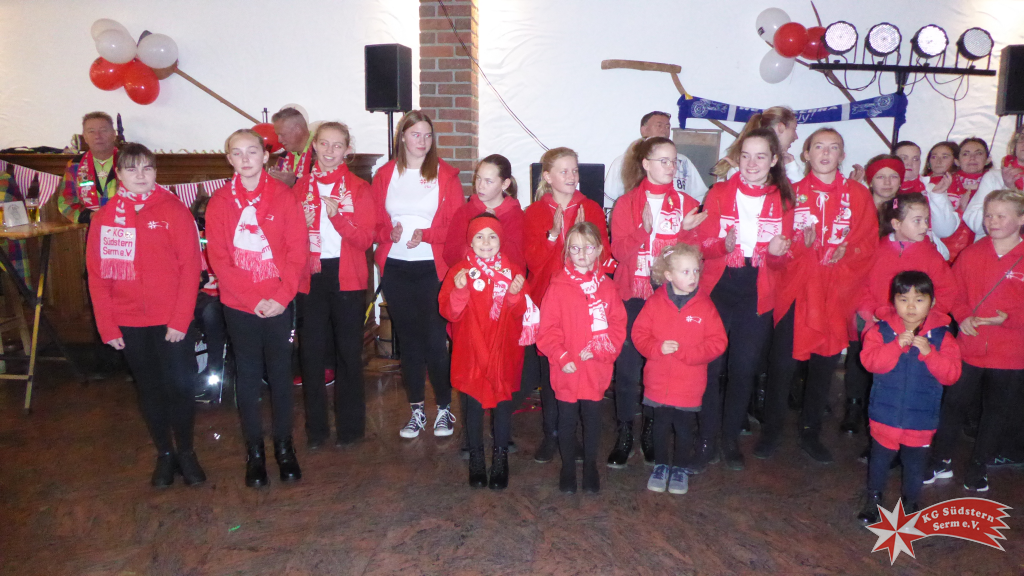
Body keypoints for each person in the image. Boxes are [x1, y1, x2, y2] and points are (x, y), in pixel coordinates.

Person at [85, 142, 204, 487]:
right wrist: (107, 325)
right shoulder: (104, 218)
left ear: (155, 172)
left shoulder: (173, 210)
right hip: (128, 321)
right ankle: (165, 454)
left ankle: (186, 452)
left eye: (147, 168)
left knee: (180, 387)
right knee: (149, 389)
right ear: (118, 174)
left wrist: (180, 319)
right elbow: (97, 276)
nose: (140, 175)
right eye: (132, 168)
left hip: (171, 321)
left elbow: (191, 268)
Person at [759, 127, 878, 464]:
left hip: (835, 294)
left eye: (833, 147)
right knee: (782, 365)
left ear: (843, 155)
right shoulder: (789, 194)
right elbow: (774, 252)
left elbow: (869, 244)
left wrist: (846, 251)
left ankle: (811, 432)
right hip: (795, 293)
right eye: (819, 147)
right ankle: (771, 431)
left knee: (823, 367)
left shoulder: (858, 195)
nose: (826, 153)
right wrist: (799, 248)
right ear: (806, 154)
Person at [206, 128, 308, 488]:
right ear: (229, 159)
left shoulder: (283, 197)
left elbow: (297, 250)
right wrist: (251, 299)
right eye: (238, 153)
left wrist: (281, 297)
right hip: (240, 304)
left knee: (280, 375)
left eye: (252, 151)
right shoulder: (220, 202)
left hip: (279, 302)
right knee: (247, 377)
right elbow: (219, 258)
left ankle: (284, 447)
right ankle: (254, 452)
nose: (246, 159)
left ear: (265, 156)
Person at [695, 128, 794, 470]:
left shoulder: (784, 199)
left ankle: (729, 439)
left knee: (744, 368)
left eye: (761, 156)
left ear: (774, 160)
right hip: (719, 285)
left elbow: (782, 262)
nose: (752, 163)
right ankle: (706, 438)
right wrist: (722, 245)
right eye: (746, 156)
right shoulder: (719, 192)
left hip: (757, 289)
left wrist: (778, 254)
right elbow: (703, 246)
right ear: (737, 158)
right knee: (711, 366)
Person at [608, 136, 705, 468]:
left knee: (659, 368)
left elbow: (694, 260)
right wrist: (642, 231)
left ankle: (650, 432)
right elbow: (619, 253)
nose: (670, 167)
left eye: (674, 161)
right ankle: (625, 432)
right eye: (663, 160)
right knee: (627, 369)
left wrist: (686, 231)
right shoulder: (627, 203)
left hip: (668, 299)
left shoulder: (688, 203)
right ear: (645, 164)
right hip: (633, 295)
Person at [372, 110, 464, 438]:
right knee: (409, 343)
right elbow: (374, 221)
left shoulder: (445, 175)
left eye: (427, 135)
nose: (422, 141)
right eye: (415, 135)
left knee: (435, 342)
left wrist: (426, 235)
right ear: (403, 137)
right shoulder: (385, 174)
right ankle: (416, 412)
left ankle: (444, 409)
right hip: (396, 268)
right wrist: (389, 232)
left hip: (432, 269)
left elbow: (456, 227)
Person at [928, 189, 1024, 493]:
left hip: (1010, 352)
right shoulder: (972, 253)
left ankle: (979, 466)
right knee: (953, 404)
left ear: (1021, 219)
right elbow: (953, 293)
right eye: (988, 215)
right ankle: (940, 459)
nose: (992, 221)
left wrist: (1008, 318)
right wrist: (963, 316)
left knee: (996, 412)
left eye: (1001, 216)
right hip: (969, 345)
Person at [841, 193, 958, 435]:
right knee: (867, 368)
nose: (925, 226)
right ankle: (860, 412)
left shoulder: (931, 255)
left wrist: (924, 318)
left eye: (926, 220)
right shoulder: (877, 250)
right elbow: (861, 284)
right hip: (877, 323)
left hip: (916, 329)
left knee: (901, 379)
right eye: (917, 220)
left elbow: (947, 291)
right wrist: (872, 312)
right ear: (896, 224)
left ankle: (903, 428)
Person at [524, 147, 612, 463]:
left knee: (580, 368)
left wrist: (589, 242)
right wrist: (552, 235)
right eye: (564, 171)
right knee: (553, 369)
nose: (572, 176)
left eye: (574, 170)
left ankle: (573, 434)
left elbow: (604, 256)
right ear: (547, 177)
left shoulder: (591, 208)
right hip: (548, 300)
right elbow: (533, 262)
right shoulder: (535, 212)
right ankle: (553, 434)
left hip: (583, 305)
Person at [293, 121, 374, 449]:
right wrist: (301, 226)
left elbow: (365, 239)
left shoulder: (358, 188)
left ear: (347, 150)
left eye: (337, 145)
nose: (329, 151)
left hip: (347, 276)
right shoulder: (300, 188)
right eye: (324, 144)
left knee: (349, 354)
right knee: (311, 355)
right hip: (310, 276)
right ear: (314, 146)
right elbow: (286, 239)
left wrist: (338, 216)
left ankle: (350, 429)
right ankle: (316, 430)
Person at [856, 271, 962, 523]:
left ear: (932, 302)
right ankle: (873, 499)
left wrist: (930, 353)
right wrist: (895, 346)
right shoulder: (881, 331)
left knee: (915, 464)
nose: (911, 307)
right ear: (893, 301)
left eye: (919, 300)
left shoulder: (942, 337)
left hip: (921, 417)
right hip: (885, 413)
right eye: (903, 300)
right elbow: (870, 363)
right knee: (879, 460)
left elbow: (951, 375)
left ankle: (911, 502)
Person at [440, 214, 530, 489]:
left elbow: (521, 313)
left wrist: (515, 295)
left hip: (503, 351)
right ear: (470, 241)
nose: (486, 242)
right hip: (471, 352)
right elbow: (449, 312)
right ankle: (477, 458)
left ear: (501, 240)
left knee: (502, 407)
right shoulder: (459, 271)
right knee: (474, 407)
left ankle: (500, 458)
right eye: (479, 236)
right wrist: (459, 291)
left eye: (492, 236)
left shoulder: (512, 271)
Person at [537, 222, 626, 494]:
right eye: (575, 248)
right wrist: (562, 356)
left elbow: (617, 326)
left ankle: (590, 466)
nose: (582, 254)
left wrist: (599, 350)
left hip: (595, 368)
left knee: (592, 420)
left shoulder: (607, 287)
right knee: (566, 421)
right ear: (567, 252)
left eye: (588, 248)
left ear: (598, 249)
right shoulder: (558, 286)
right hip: (566, 368)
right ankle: (567, 468)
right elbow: (547, 330)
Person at [631, 242, 726, 494]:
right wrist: (657, 348)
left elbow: (718, 342)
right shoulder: (654, 303)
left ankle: (681, 468)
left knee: (684, 428)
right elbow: (639, 334)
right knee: (660, 427)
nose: (693, 276)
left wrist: (689, 354)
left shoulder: (705, 306)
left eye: (695, 271)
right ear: (669, 275)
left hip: (689, 383)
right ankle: (661, 466)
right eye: (685, 272)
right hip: (658, 381)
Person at [604, 111, 708, 210]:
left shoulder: (683, 161)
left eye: (667, 127)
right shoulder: (622, 162)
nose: (664, 130)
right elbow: (609, 198)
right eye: (659, 126)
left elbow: (699, 195)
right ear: (644, 130)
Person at [443, 154, 525, 269]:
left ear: (505, 184)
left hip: (502, 277)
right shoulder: (465, 212)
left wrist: (495, 226)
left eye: (488, 181)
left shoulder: (516, 215)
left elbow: (518, 261)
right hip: (470, 275)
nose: (480, 186)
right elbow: (450, 255)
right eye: (478, 178)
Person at [892, 141, 959, 260]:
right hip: (893, 254)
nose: (910, 163)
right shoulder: (884, 190)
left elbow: (946, 231)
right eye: (904, 158)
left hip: (927, 255)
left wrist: (938, 196)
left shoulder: (931, 188)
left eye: (915, 159)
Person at [712, 106, 804, 184]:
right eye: (794, 129)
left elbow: (803, 195)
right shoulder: (742, 167)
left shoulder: (786, 163)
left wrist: (792, 168)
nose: (796, 137)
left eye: (760, 157)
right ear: (781, 127)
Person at [962, 126, 1024, 240]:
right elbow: (974, 223)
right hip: (992, 247)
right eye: (1022, 138)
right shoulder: (994, 177)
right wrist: (1006, 189)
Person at [58, 112, 120, 224]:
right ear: (85, 137)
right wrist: (91, 216)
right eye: (91, 131)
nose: (97, 136)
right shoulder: (75, 165)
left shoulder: (129, 162)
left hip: (125, 225)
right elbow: (66, 201)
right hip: (90, 226)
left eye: (103, 130)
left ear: (114, 134)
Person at [940, 137, 992, 261]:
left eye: (978, 153)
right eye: (966, 154)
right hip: (947, 249)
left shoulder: (996, 182)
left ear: (988, 160)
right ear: (957, 161)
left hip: (985, 248)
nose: (972, 158)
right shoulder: (944, 183)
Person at [269, 107, 314, 187]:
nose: (279, 140)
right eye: (278, 135)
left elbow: (324, 187)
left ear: (297, 129)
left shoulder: (321, 153)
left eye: (283, 134)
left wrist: (295, 182)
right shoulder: (283, 156)